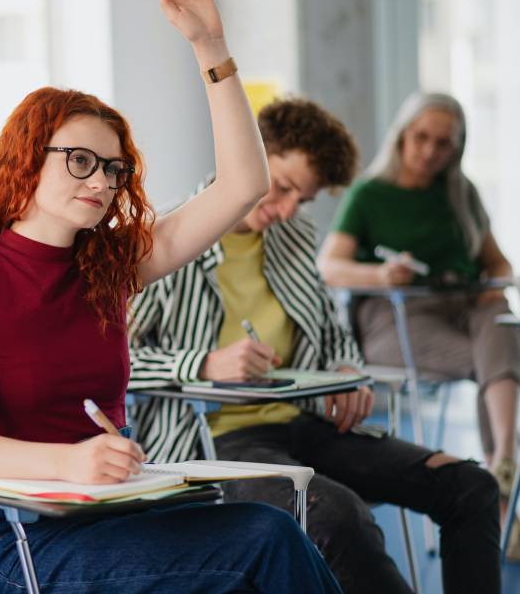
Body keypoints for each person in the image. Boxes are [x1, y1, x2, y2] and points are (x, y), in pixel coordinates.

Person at [0, 0, 341, 594]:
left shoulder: (109, 267)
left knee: (263, 531)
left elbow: (244, 183)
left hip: (126, 507)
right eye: (80, 160)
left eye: (113, 169)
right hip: (35, 534)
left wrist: (210, 47)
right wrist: (73, 463)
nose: (102, 180)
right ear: (27, 158)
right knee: (264, 541)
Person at [127, 97, 501, 594]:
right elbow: (115, 364)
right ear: (244, 159)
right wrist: (204, 364)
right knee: (338, 514)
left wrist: (347, 368)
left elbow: (332, 330)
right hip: (215, 444)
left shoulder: (295, 237)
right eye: (279, 188)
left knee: (471, 485)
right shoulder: (165, 238)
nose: (285, 211)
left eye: (301, 200)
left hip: (306, 424)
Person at [317, 92, 520, 503]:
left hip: (465, 310)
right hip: (399, 320)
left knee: (499, 319)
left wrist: (493, 286)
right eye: (421, 137)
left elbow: (499, 265)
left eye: (443, 143)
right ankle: (503, 484)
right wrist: (380, 274)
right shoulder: (369, 194)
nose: (430, 151)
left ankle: (502, 459)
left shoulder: (462, 194)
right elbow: (329, 266)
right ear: (402, 135)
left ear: (457, 147)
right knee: (500, 361)